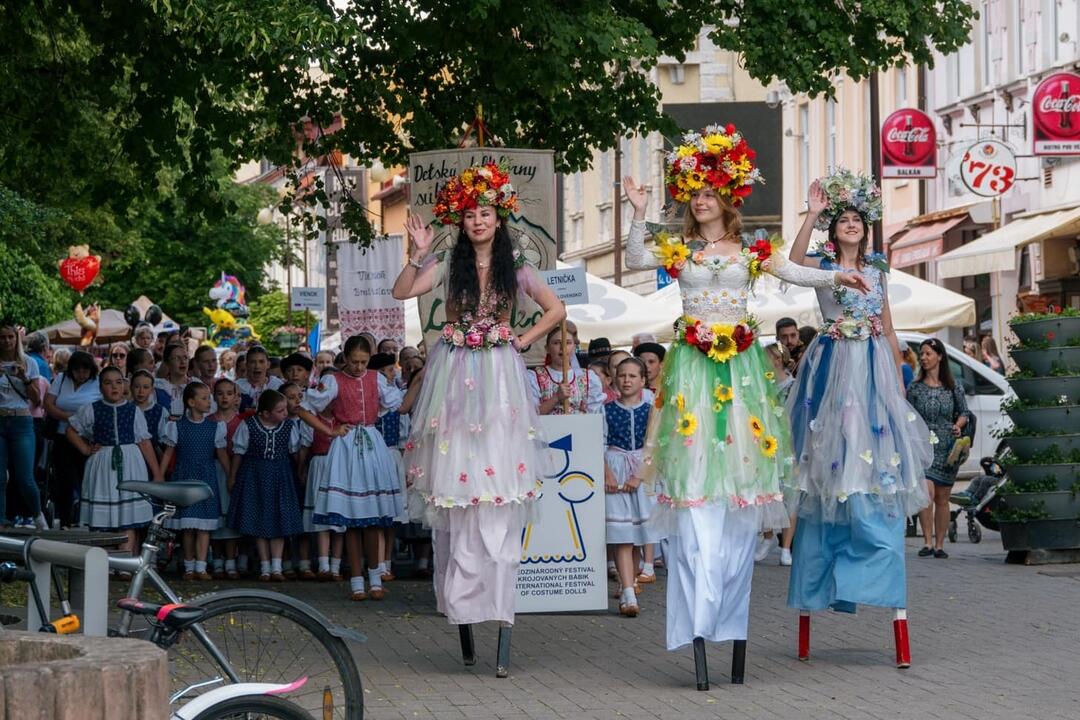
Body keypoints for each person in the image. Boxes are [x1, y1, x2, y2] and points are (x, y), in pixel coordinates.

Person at [622, 123, 870, 679]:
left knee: (737, 465)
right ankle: (699, 612)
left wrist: (842, 271)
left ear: (725, 199)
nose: (703, 200)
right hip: (691, 368)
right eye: (696, 194)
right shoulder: (678, 249)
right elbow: (636, 256)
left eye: (711, 192)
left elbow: (798, 271)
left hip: (738, 368)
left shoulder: (753, 249)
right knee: (695, 467)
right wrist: (639, 209)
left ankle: (728, 610)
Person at [391, 160, 564, 662]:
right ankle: (464, 601)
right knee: (458, 460)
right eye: (469, 215)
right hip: (455, 369)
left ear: (499, 218)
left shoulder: (519, 268)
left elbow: (555, 310)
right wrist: (417, 254)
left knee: (496, 460)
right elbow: (403, 292)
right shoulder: (447, 265)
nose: (478, 221)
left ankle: (498, 599)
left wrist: (522, 338)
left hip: (499, 370)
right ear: (461, 224)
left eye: (485, 213)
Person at [784, 171, 932, 668]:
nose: (849, 225)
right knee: (829, 446)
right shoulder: (822, 265)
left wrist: (898, 377)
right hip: (832, 359)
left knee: (872, 450)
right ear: (834, 231)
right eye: (842, 220)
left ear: (865, 231)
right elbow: (788, 262)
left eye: (855, 220)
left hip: (869, 363)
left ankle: (870, 560)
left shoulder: (879, 269)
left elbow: (887, 325)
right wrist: (810, 214)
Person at [296, 335, 403, 600]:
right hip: (346, 447)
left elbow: (398, 404)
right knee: (352, 519)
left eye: (363, 362)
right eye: (354, 361)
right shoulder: (333, 380)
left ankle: (375, 578)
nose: (358, 367)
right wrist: (330, 431)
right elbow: (303, 408)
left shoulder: (376, 379)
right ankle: (357, 580)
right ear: (345, 357)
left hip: (372, 444)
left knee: (373, 517)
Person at [227, 389, 320, 582]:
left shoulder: (288, 427)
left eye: (285, 409)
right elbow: (239, 452)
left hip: (281, 476)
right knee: (259, 519)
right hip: (255, 475)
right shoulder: (249, 425)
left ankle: (277, 566)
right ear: (265, 413)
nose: (285, 413)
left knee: (279, 519)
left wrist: (300, 470)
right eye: (280, 410)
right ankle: (265, 566)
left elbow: (295, 453)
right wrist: (233, 477)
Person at [66, 366, 159, 552]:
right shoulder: (91, 409)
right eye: (108, 383)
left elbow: (145, 442)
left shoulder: (133, 411)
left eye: (118, 382)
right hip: (102, 464)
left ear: (124, 385)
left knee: (128, 518)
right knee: (104, 517)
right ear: (100, 387)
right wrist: (85, 449)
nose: (114, 387)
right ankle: (106, 561)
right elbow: (71, 430)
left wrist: (157, 473)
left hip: (131, 462)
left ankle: (124, 561)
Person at [604, 357, 662, 617]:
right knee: (621, 536)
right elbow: (598, 444)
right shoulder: (605, 409)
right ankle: (627, 593)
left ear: (642, 380)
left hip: (641, 469)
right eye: (622, 375)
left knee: (637, 536)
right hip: (615, 469)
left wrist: (639, 476)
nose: (626, 380)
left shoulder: (650, 410)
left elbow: (654, 444)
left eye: (632, 376)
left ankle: (632, 582)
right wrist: (607, 474)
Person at [907, 338, 972, 560]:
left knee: (943, 497)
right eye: (922, 354)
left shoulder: (954, 387)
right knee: (927, 492)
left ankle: (940, 544)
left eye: (928, 354)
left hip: (947, 446)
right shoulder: (914, 388)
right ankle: (926, 541)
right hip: (923, 446)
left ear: (939, 357)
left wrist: (958, 426)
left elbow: (964, 412)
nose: (924, 358)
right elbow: (907, 414)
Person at [159, 382, 228, 580]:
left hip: (206, 478)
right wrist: (160, 475)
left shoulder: (215, 427)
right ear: (191, 402)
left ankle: (201, 566)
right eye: (204, 398)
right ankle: (189, 566)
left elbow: (222, 454)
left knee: (204, 525)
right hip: (184, 477)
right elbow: (168, 453)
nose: (209, 402)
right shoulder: (176, 426)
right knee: (188, 526)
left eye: (209, 398)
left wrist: (231, 474)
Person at [297, 368, 346, 582]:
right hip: (319, 466)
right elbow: (305, 448)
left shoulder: (343, 422)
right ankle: (324, 565)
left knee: (338, 521)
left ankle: (335, 566)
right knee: (322, 519)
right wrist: (301, 468)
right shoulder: (312, 421)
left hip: (340, 469)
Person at [45, 350, 102, 528]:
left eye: (85, 371)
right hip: (63, 437)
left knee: (88, 479)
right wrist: (69, 417)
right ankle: (66, 521)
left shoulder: (97, 383)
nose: (81, 374)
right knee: (65, 481)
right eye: (77, 370)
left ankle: (88, 520)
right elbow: (48, 404)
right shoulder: (61, 379)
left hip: (87, 438)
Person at [0, 322, 47, 529]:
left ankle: (38, 517)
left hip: (21, 420)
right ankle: (1, 520)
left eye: (10, 337)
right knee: (0, 476)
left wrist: (24, 378)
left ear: (17, 338)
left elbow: (37, 400)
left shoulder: (28, 362)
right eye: (2, 337)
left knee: (25, 476)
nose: (7, 341)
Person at [209, 378, 244, 578]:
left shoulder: (241, 422)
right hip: (214, 470)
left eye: (229, 393)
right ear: (215, 396)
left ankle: (231, 559)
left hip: (235, 470)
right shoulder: (209, 421)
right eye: (220, 393)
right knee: (215, 516)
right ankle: (218, 559)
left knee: (230, 515)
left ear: (236, 397)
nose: (224, 397)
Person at [529, 327, 605, 415]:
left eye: (568, 343)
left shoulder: (588, 378)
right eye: (556, 343)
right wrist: (556, 397)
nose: (563, 347)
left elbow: (594, 416)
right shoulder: (535, 377)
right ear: (547, 348)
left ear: (574, 347)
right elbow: (532, 415)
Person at [236, 345, 282, 410]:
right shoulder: (237, 386)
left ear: (268, 364)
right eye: (252, 362)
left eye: (261, 362)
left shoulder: (277, 384)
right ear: (246, 365)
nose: (257, 366)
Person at [154, 344, 190, 416]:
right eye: (177, 358)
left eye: (185, 358)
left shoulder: (197, 385)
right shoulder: (158, 386)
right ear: (167, 363)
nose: (182, 361)